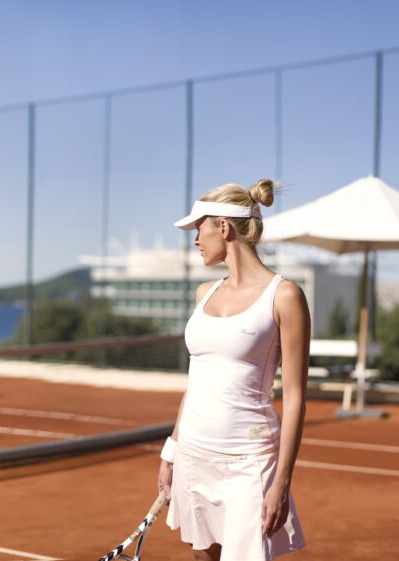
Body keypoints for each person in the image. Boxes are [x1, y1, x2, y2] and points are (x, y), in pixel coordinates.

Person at [159, 179, 308, 561]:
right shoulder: (204, 293)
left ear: (223, 228)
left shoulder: (284, 295)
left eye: (199, 229)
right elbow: (196, 383)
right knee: (202, 557)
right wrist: (171, 452)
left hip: (250, 462)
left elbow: (295, 398)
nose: (195, 240)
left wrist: (281, 483)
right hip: (193, 455)